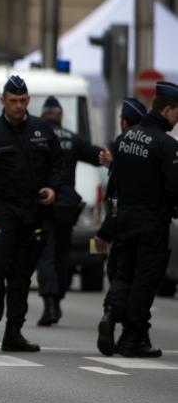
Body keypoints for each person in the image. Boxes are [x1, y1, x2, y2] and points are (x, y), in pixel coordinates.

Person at [0, 75, 63, 353]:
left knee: (21, 276)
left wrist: (53, 188)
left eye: (22, 101)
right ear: (3, 102)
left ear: (28, 101)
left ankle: (14, 332)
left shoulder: (42, 130)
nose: (18, 106)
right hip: (2, 213)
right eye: (13, 101)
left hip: (33, 213)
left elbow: (59, 164)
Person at [93, 82, 178, 358]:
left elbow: (114, 186)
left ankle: (110, 313)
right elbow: (173, 188)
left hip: (124, 217)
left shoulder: (124, 140)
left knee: (124, 272)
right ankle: (133, 337)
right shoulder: (167, 145)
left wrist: (109, 226)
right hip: (152, 221)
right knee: (145, 278)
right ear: (168, 110)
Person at [34, 96, 108, 326]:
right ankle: (58, 300)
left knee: (45, 253)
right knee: (61, 254)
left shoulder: (36, 136)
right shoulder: (72, 138)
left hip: (43, 204)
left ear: (42, 115)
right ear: (61, 116)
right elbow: (97, 156)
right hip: (67, 207)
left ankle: (49, 304)